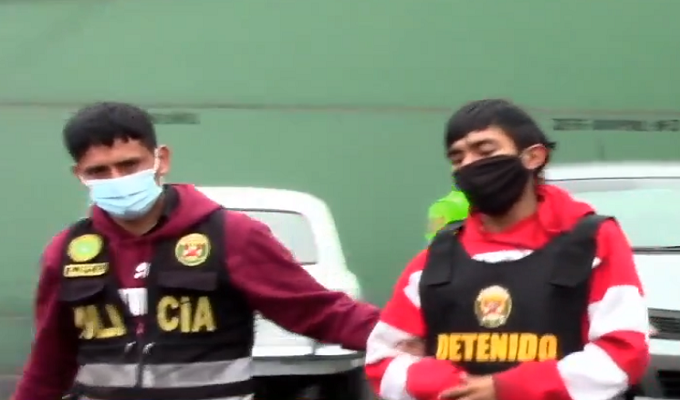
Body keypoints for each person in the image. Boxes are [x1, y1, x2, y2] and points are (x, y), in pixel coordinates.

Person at [13, 102, 380, 400]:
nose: (117, 180)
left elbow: (318, 312)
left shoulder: (232, 235)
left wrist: (404, 334)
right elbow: (50, 359)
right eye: (99, 171)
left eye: (129, 165)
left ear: (161, 159)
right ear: (79, 175)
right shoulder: (68, 252)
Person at [365, 99, 649, 400]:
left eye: (485, 151)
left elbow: (623, 351)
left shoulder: (592, 242)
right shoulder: (439, 257)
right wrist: (450, 385)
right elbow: (382, 360)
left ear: (533, 157)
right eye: (457, 158)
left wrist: (506, 388)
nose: (469, 164)